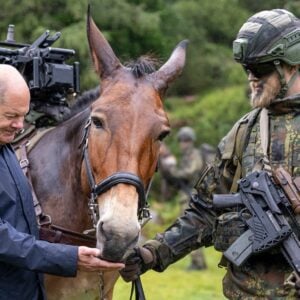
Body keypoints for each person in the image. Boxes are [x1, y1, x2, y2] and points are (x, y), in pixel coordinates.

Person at [120, 9, 300, 298]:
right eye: (246, 68)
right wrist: (153, 253)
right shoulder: (244, 132)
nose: (252, 77)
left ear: (291, 64)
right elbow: (205, 212)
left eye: (261, 67)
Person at [0, 64, 124, 299]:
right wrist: (69, 257)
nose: (19, 125)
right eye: (11, 116)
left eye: (23, 116)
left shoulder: (5, 146)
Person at [159, 126, 207, 270]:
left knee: (189, 229)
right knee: (190, 228)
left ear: (190, 141)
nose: (182, 144)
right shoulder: (187, 156)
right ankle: (198, 262)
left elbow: (190, 171)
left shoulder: (194, 154)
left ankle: (197, 263)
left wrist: (173, 171)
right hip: (186, 196)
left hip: (190, 196)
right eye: (181, 141)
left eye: (185, 141)